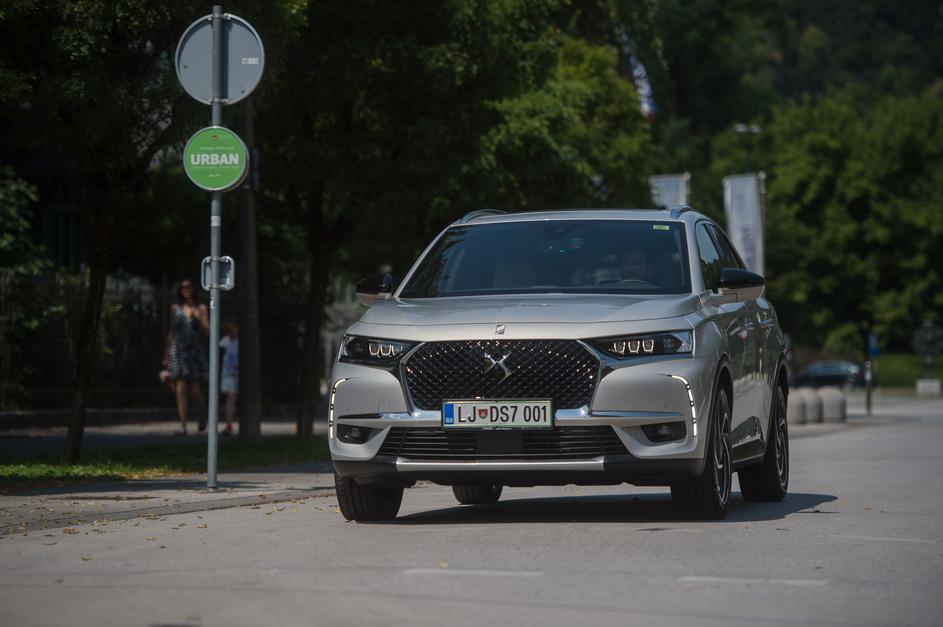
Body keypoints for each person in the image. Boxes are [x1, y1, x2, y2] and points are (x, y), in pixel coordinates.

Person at [161, 279, 209, 436]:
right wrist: (167, 355)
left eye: (188, 287)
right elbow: (172, 331)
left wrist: (199, 317)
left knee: (195, 390)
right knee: (180, 389)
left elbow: (207, 330)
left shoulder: (201, 308)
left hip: (193, 351)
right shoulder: (176, 308)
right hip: (178, 350)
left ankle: (202, 416)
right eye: (183, 287)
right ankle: (183, 426)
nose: (185, 290)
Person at [219, 321, 239, 436]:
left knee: (233, 397)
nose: (231, 333)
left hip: (238, 374)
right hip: (229, 374)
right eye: (229, 330)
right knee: (231, 396)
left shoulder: (240, 342)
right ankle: (229, 423)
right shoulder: (225, 341)